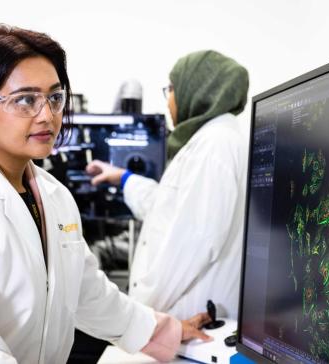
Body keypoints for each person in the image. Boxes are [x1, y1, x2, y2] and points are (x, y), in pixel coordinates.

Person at [0, 24, 211, 364]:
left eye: (54, 97)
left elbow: (87, 293)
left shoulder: (53, 195)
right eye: (25, 99)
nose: (47, 115)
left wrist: (167, 332)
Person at [86, 50, 249, 320]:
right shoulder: (210, 139)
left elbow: (191, 243)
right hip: (179, 317)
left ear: (198, 89)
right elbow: (168, 207)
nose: (169, 100)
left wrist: (140, 317)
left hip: (187, 316)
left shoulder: (215, 145)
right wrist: (123, 178)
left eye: (171, 89)